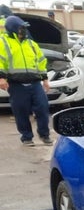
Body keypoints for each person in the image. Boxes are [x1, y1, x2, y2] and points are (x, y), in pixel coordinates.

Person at [0, 15, 52, 146]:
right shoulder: (3, 42)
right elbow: (1, 62)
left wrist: (45, 79)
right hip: (16, 84)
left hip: (34, 83)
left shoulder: (31, 43)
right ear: (12, 29)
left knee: (42, 108)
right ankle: (27, 137)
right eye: (21, 28)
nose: (23, 30)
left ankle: (44, 134)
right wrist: (1, 78)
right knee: (21, 111)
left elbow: (41, 61)